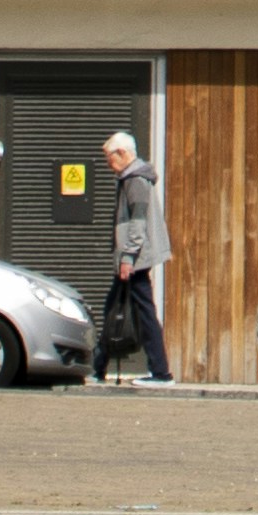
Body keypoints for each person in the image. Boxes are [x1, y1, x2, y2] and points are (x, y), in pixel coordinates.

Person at [95, 124, 171, 387]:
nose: (108, 163)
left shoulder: (135, 181)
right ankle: (98, 367)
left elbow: (137, 223)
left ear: (123, 153)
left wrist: (128, 257)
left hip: (135, 260)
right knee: (114, 308)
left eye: (110, 157)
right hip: (132, 259)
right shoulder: (133, 179)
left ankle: (161, 373)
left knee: (144, 312)